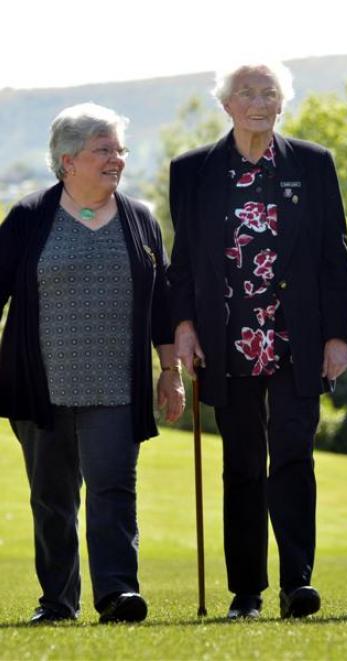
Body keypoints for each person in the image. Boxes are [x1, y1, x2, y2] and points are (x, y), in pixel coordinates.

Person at [169, 62, 347, 619]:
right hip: (227, 338)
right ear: (226, 104)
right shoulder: (193, 169)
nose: (258, 100)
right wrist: (182, 326)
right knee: (243, 463)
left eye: (268, 91)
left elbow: (333, 257)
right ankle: (245, 592)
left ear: (282, 102)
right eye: (246, 92)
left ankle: (298, 582)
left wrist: (338, 335)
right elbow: (183, 262)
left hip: (296, 335)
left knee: (294, 454)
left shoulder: (312, 164)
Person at [0, 103, 185, 624]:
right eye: (104, 150)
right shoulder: (29, 218)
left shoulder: (140, 218)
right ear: (67, 160)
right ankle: (57, 602)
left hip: (115, 385)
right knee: (52, 499)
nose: (117, 159)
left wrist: (170, 372)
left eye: (120, 150)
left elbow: (162, 306)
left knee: (113, 489)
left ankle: (117, 592)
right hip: (42, 385)